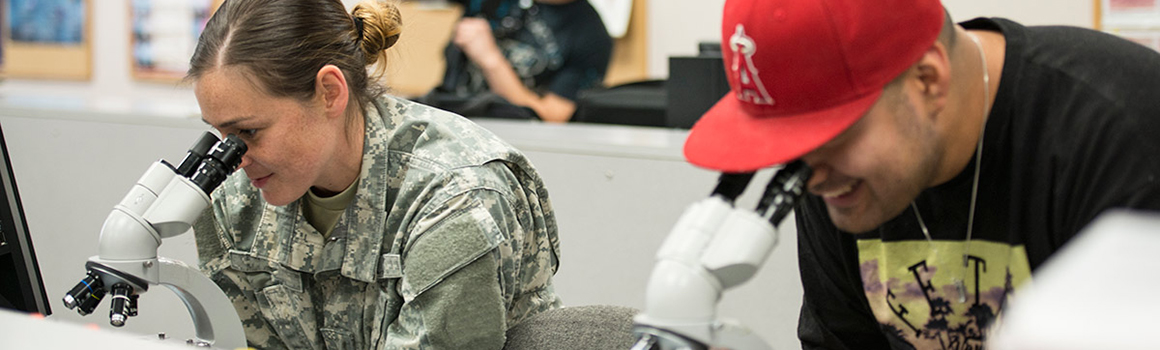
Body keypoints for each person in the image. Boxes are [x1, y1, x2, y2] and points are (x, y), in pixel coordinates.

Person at [682, 0, 1160, 349]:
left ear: (928, 80)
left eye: (829, 136)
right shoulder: (829, 172)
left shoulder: (1124, 131)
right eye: (791, 148)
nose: (811, 177)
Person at [186, 0, 563, 349]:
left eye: (248, 132)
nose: (234, 158)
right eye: (220, 135)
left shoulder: (456, 195)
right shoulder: (234, 200)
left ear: (330, 92)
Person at [437, 0, 612, 122]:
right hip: (449, 117)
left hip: (512, 140)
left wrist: (491, 60)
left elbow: (552, 116)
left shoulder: (592, 35)